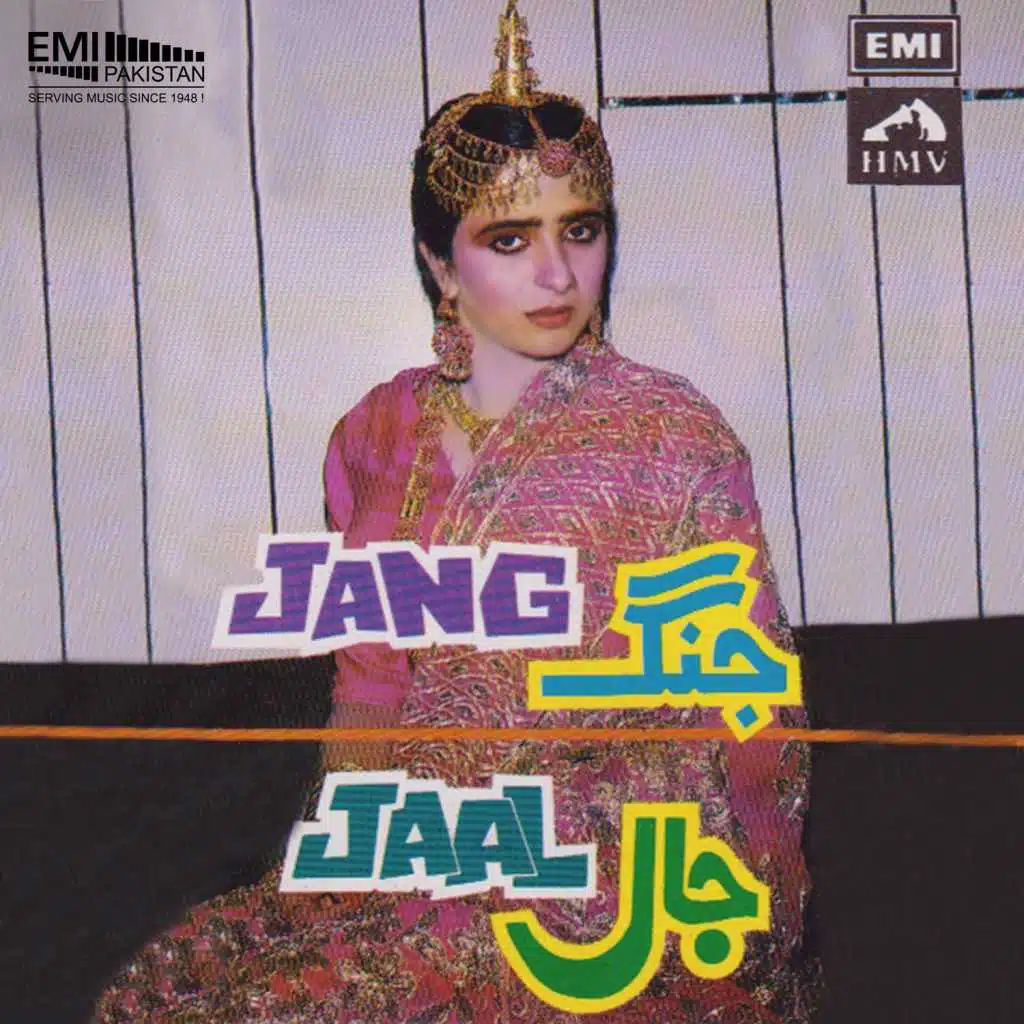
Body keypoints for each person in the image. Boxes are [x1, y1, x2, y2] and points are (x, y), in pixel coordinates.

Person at [94, 3, 817, 1020]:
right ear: (440, 264)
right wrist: (344, 870)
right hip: (424, 849)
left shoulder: (674, 436)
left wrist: (759, 900)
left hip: (618, 875)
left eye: (581, 230)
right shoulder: (377, 435)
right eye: (510, 238)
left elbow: (749, 706)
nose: (556, 273)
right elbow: (371, 688)